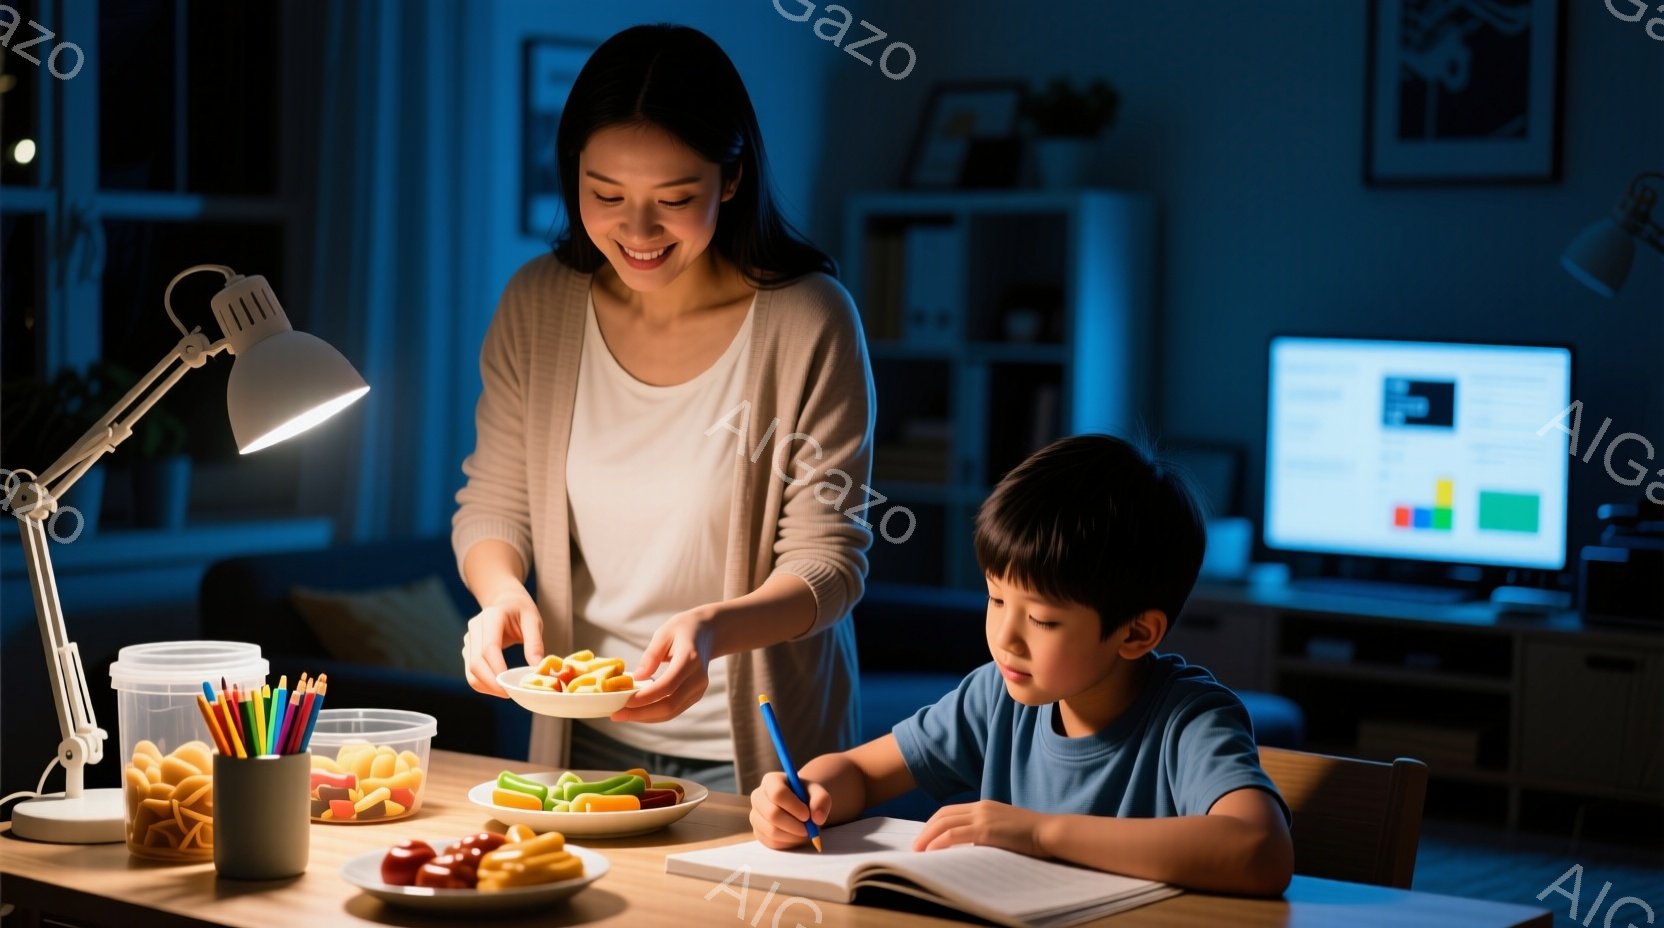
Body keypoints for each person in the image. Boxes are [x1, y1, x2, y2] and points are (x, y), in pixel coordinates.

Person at [454, 24, 874, 794]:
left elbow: (830, 561)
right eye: (605, 195)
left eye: (674, 200)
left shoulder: (810, 319)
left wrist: (711, 632)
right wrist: (500, 597)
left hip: (762, 759)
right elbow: (493, 501)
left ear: (732, 180)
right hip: (585, 742)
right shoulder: (539, 305)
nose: (636, 233)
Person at [749, 434, 1295, 896]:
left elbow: (1260, 850)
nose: (1005, 638)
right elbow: (862, 774)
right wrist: (804, 796)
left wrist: (1036, 833)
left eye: (1043, 620)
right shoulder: (995, 697)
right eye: (996, 599)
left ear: (1135, 632)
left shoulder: (1190, 719)